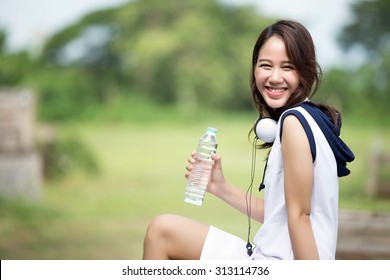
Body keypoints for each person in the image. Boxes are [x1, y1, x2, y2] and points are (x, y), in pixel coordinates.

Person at [142, 19, 354, 260]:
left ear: (305, 71)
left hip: (276, 264)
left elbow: (300, 217)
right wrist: (220, 187)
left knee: (161, 232)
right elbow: (281, 215)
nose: (275, 77)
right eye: (266, 65)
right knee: (163, 230)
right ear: (254, 69)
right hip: (266, 257)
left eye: (287, 67)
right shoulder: (309, 118)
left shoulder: (294, 123)